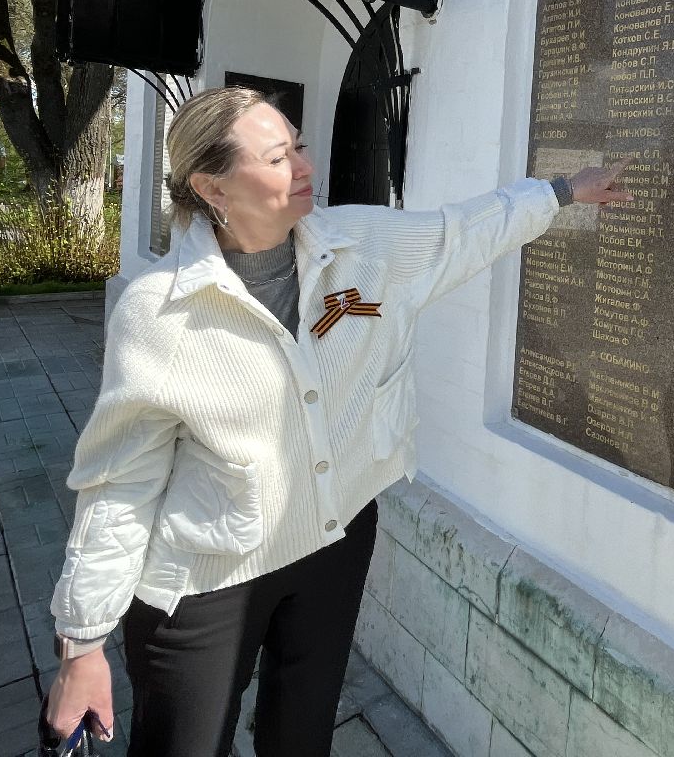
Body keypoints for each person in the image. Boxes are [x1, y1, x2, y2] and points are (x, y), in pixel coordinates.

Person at [45, 86, 631, 756]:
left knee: (302, 736)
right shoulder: (159, 313)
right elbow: (120, 482)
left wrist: (560, 192)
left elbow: (464, 229)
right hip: (208, 574)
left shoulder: (366, 245)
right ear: (213, 186)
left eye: (298, 145)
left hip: (335, 537)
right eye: (276, 156)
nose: (303, 166)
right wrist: (83, 641)